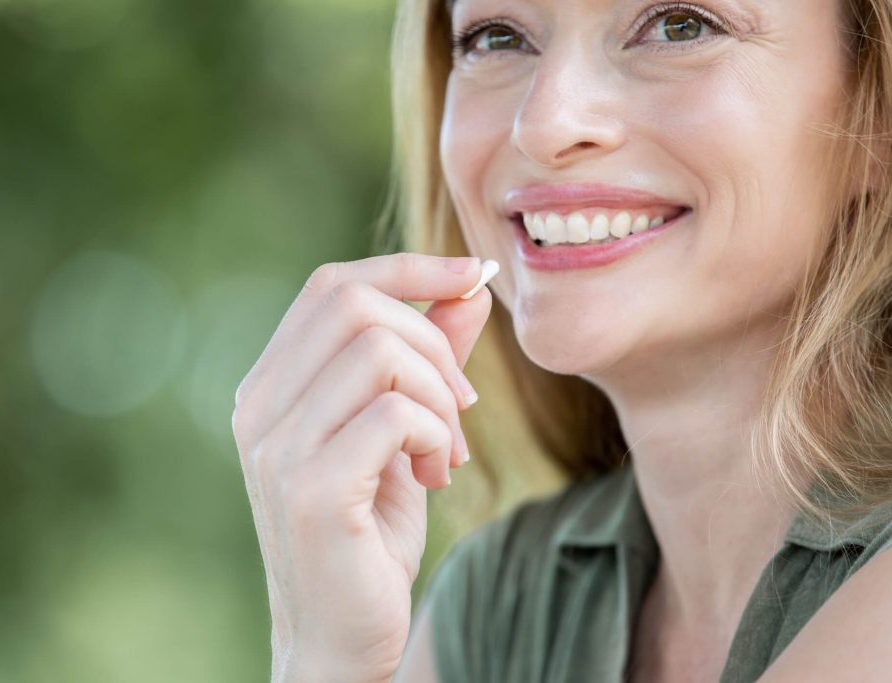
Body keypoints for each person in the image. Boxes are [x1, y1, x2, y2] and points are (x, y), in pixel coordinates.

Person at [231, 0, 892, 681]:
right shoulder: (492, 607)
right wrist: (324, 657)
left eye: (680, 25)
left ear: (879, 116)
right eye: (496, 36)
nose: (545, 125)